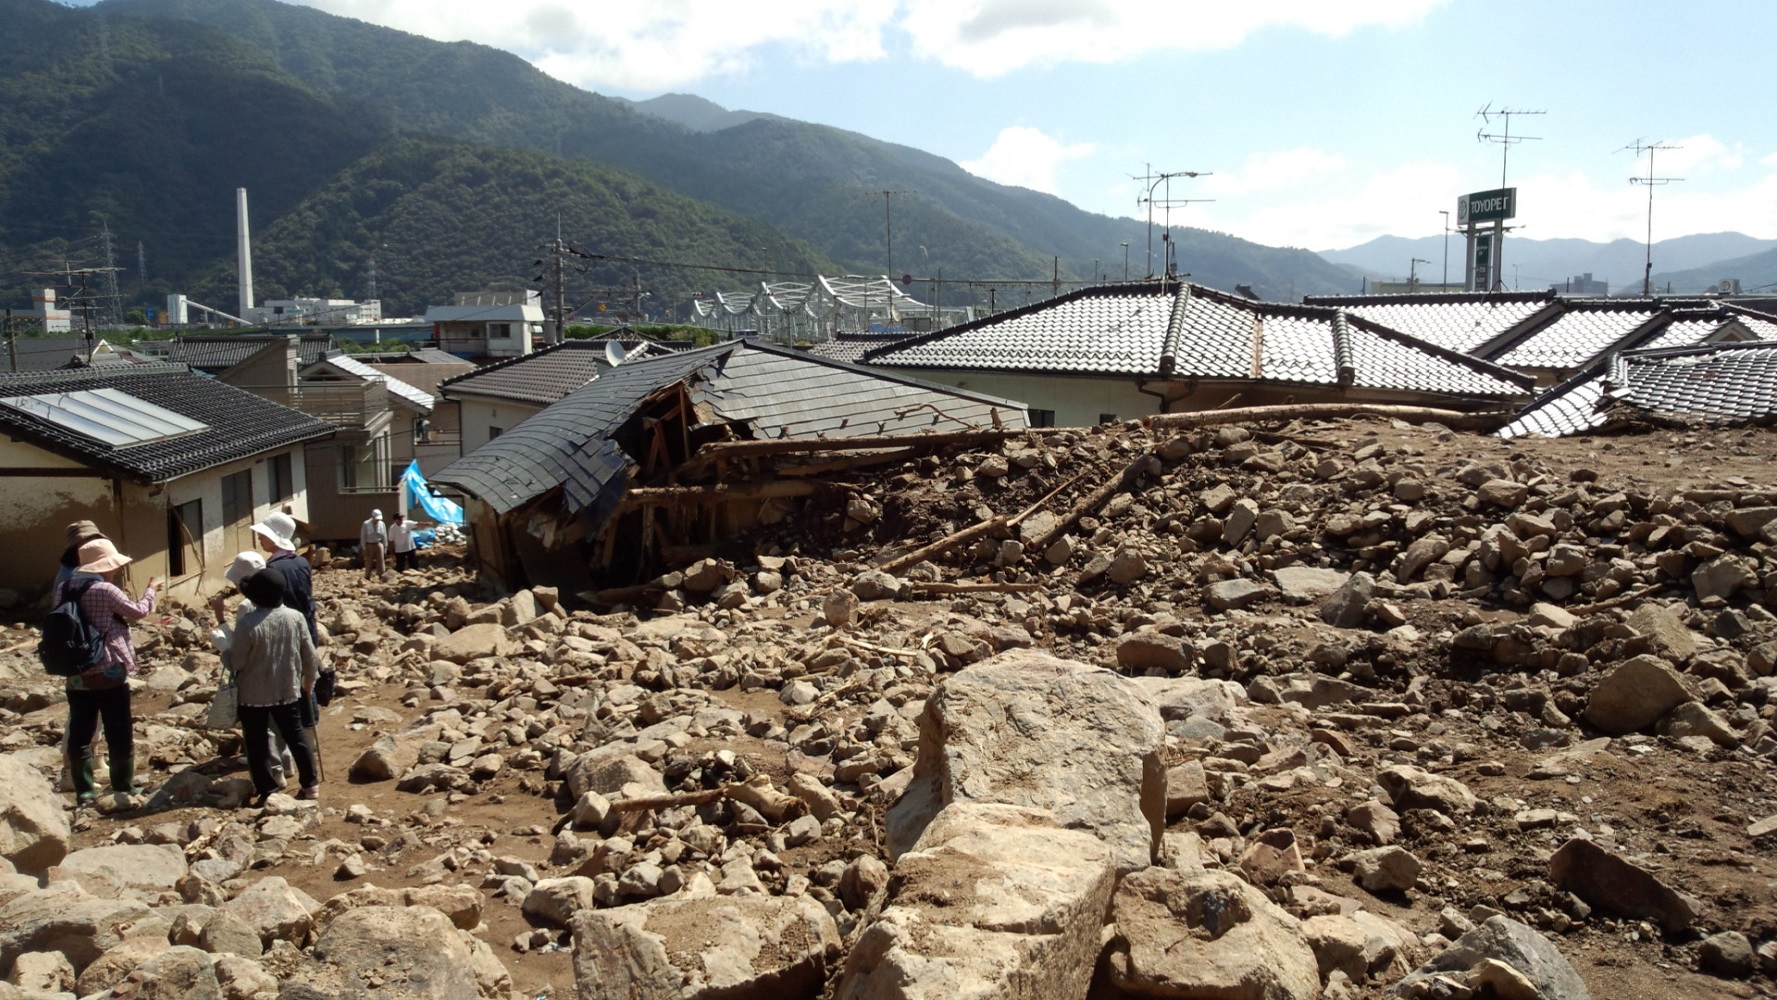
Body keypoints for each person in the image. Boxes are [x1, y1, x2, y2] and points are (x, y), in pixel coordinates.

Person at [61, 538, 160, 805]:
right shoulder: (105, 589)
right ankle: (123, 785)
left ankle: (84, 790)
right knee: (118, 726)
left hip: (77, 669)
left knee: (81, 728)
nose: (114, 570)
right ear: (104, 566)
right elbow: (138, 612)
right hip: (109, 668)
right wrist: (151, 590)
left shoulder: (64, 588)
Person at [223, 568, 320, 805]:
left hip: (253, 694)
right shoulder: (295, 617)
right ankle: (310, 784)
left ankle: (268, 790)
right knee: (295, 736)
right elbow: (309, 654)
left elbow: (237, 662)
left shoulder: (247, 623)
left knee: (256, 744)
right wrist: (309, 680)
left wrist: (224, 651)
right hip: (286, 689)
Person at [210, 551, 297, 787]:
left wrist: (220, 626)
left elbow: (242, 649)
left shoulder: (247, 607)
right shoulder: (276, 594)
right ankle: (287, 762)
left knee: (264, 728)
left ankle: (274, 772)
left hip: (256, 676)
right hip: (281, 670)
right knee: (279, 723)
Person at [251, 512, 317, 646]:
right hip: (307, 627)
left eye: (263, 534)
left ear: (274, 537)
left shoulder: (271, 569)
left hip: (287, 635)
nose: (259, 537)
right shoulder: (301, 562)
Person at [53, 520, 107, 599]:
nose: (94, 544)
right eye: (89, 540)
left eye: (96, 540)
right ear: (76, 546)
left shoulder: (88, 565)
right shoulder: (69, 575)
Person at [360, 509, 387, 579]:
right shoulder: (366, 524)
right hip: (370, 545)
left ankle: (381, 576)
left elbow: (384, 536)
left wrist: (385, 547)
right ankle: (367, 576)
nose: (377, 521)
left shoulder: (382, 524)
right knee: (369, 561)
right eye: (376, 519)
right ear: (372, 517)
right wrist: (364, 548)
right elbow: (363, 537)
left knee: (381, 561)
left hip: (379, 544)